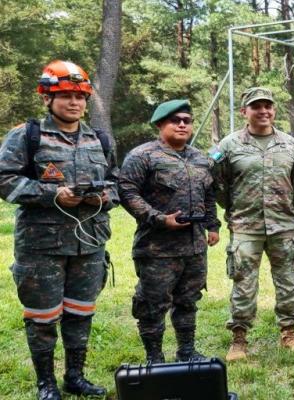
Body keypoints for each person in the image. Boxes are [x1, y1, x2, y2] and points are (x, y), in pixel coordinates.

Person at [0, 60, 117, 399]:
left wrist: (106, 195)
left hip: (90, 244)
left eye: (80, 96)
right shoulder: (28, 135)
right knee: (42, 318)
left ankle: (75, 377)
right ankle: (46, 383)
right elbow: (5, 179)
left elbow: (117, 182)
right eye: (65, 95)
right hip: (42, 247)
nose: (74, 103)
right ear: (47, 98)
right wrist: (53, 194)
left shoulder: (100, 139)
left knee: (81, 312)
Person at [210, 87, 294, 360]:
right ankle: (239, 340)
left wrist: (284, 208)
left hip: (283, 225)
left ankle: (289, 332)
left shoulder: (291, 145)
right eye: (256, 107)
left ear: (274, 110)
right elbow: (217, 184)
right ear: (245, 112)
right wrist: (233, 208)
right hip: (245, 225)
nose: (264, 111)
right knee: (243, 282)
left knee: (289, 280)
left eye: (268, 106)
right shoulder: (229, 146)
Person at [119, 99, 221, 363]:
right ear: (160, 124)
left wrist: (212, 225)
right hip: (157, 248)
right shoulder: (143, 156)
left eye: (187, 120)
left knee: (188, 300)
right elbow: (127, 192)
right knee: (152, 304)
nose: (182, 125)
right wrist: (159, 219)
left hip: (194, 247)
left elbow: (209, 195)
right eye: (176, 120)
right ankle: (155, 357)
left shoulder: (201, 159)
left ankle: (187, 351)